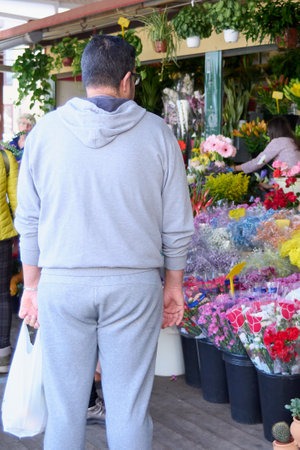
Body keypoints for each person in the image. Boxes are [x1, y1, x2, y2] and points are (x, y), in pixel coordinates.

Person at [15, 34, 194, 450]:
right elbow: (177, 225)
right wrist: (174, 287)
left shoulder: (44, 132)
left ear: (83, 77)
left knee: (64, 411)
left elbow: (29, 220)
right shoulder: (158, 134)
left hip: (62, 284)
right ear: (128, 80)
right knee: (128, 409)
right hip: (134, 287)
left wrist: (32, 285)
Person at [0, 147, 19, 372]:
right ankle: (3, 355)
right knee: (3, 294)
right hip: (2, 237)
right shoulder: (5, 157)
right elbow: (17, 201)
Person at [233, 116, 300, 174]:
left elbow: (258, 162)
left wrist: (235, 168)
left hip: (289, 182)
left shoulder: (278, 141)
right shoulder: (292, 141)